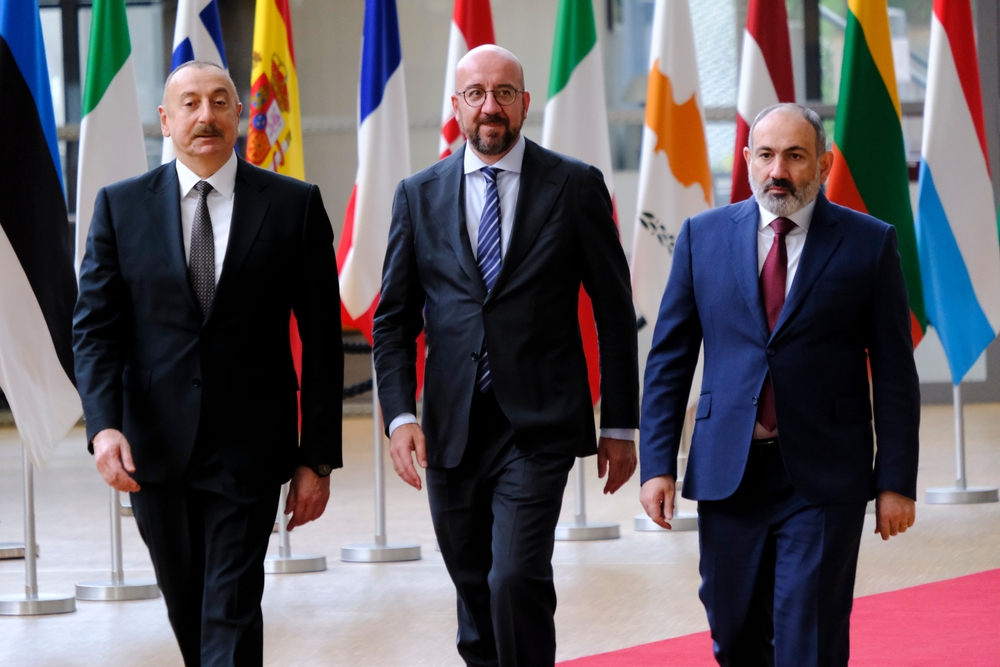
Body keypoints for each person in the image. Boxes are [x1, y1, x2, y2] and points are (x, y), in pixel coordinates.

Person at [372, 45, 639, 667]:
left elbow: (613, 310)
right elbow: (393, 321)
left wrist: (621, 424)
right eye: (476, 94)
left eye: (504, 93)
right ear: (458, 105)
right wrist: (400, 416)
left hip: (539, 423)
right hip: (449, 428)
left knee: (513, 578)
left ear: (524, 102)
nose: (490, 107)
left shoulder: (574, 186)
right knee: (472, 590)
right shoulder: (418, 194)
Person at [73, 61, 343, 667]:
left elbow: (323, 340)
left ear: (239, 114)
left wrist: (316, 457)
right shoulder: (119, 208)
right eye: (190, 104)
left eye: (220, 101)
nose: (206, 115)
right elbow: (95, 330)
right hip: (153, 449)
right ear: (165, 121)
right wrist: (103, 426)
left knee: (231, 606)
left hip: (249, 451)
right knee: (190, 609)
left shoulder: (293, 206)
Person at [639, 103, 920, 667]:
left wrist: (896, 481)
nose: (779, 171)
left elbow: (893, 370)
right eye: (766, 155)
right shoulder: (703, 237)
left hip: (822, 477)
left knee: (808, 640)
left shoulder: (869, 243)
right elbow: (669, 360)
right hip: (728, 474)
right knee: (734, 632)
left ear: (824, 162)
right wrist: (657, 465)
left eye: (795, 156)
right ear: (746, 160)